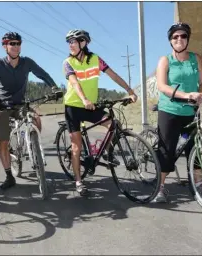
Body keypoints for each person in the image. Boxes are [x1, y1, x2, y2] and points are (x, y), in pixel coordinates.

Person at [63, 29, 138, 196]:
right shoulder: (67, 62)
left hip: (91, 106)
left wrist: (129, 90)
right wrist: (84, 99)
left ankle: (104, 152)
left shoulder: (96, 59)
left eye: (73, 41)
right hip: (74, 107)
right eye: (69, 42)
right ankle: (78, 181)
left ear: (84, 42)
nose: (70, 45)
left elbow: (113, 75)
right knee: (76, 146)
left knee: (114, 124)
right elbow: (74, 83)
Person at [0, 32, 59, 190]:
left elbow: (42, 74)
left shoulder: (26, 62)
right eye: (12, 43)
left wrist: (54, 87)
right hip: (2, 105)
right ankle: (9, 176)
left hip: (20, 105)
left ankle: (34, 145)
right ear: (5, 46)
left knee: (36, 118)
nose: (16, 46)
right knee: (3, 143)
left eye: (18, 43)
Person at [153, 22, 202, 203]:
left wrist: (200, 93)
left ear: (187, 39)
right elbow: (162, 86)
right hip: (170, 109)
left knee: (194, 145)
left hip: (191, 110)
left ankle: (198, 182)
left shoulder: (195, 58)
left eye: (183, 36)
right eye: (175, 37)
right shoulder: (165, 60)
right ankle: (160, 186)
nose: (179, 39)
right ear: (170, 41)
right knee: (167, 148)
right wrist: (186, 95)